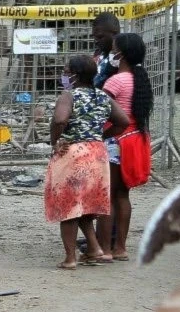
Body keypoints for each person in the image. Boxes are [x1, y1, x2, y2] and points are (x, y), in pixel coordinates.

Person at [45, 55, 130, 269]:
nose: (63, 76)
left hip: (73, 153)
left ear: (75, 75)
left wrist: (54, 139)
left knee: (69, 207)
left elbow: (60, 119)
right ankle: (94, 250)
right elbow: (123, 121)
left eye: (66, 71)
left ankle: (70, 258)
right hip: (97, 154)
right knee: (86, 206)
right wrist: (100, 135)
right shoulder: (103, 96)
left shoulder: (69, 95)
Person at [95, 32, 153, 262]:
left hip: (114, 142)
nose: (112, 53)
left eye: (114, 49)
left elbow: (100, 109)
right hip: (133, 141)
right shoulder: (140, 79)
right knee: (122, 196)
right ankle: (120, 248)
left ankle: (104, 249)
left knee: (108, 196)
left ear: (121, 53)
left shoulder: (115, 81)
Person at [91, 13, 121, 88]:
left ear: (114, 34)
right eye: (94, 37)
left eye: (100, 37)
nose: (96, 41)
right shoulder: (98, 53)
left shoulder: (121, 59)